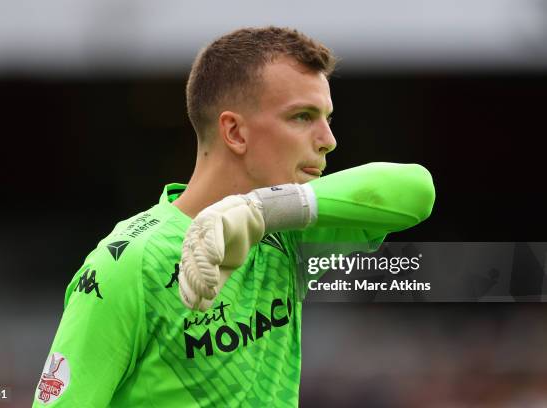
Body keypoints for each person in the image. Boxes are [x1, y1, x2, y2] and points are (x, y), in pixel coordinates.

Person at [33, 26, 435, 407]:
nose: (328, 141)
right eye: (302, 117)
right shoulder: (130, 264)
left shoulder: (286, 233)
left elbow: (417, 191)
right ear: (235, 132)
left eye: (327, 119)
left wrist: (259, 211)